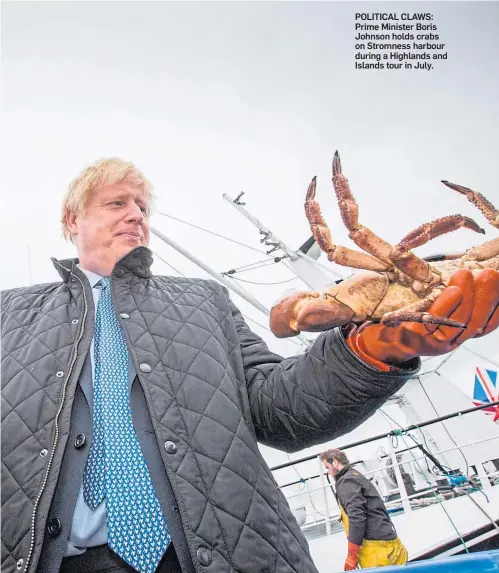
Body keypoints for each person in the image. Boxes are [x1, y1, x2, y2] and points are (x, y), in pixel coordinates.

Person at [1, 157, 498, 573]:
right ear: (72, 220)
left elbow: (278, 409)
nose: (136, 214)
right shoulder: (9, 314)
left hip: (228, 554)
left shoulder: (205, 302)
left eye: (142, 207)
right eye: (116, 203)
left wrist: (369, 352)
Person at [320, 449, 408, 570]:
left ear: (335, 462)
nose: (329, 472)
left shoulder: (346, 482)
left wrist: (352, 555)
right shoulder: (356, 475)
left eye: (327, 467)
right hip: (392, 543)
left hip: (377, 550)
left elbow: (356, 517)